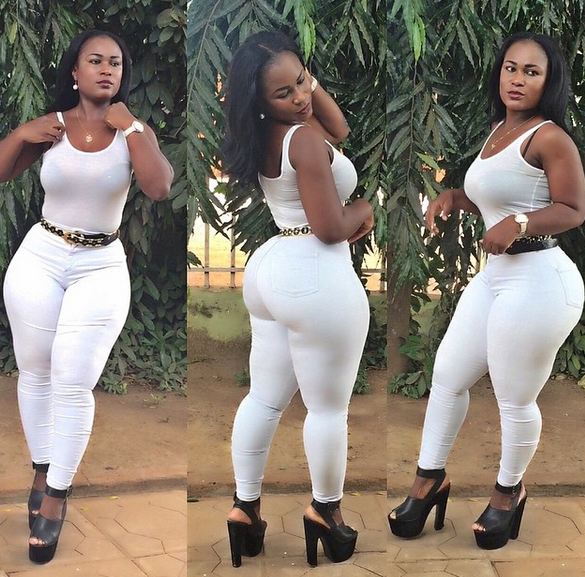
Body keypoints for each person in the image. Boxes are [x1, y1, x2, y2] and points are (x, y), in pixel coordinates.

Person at [388, 32, 585, 550]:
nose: (517, 79)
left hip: (541, 280)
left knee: (513, 396)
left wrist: (519, 224)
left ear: (549, 82)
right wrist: (455, 196)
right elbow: (498, 198)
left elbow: (572, 209)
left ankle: (507, 494)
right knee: (448, 376)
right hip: (496, 278)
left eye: (531, 72)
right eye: (510, 68)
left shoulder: (549, 138)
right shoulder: (500, 129)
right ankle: (429, 481)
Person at [0, 29, 173, 563]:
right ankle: (42, 468)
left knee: (73, 380)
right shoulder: (53, 127)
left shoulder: (131, 131)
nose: (105, 69)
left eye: (114, 63)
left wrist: (134, 127)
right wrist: (21, 133)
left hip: (100, 264)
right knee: (35, 371)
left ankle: (55, 497)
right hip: (42, 256)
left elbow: (159, 186)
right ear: (75, 73)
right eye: (94, 61)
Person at [220, 30, 374, 567]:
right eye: (284, 93)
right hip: (315, 272)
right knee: (327, 408)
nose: (301, 96)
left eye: (303, 80)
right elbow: (330, 227)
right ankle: (326, 513)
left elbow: (340, 129)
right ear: (261, 101)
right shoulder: (301, 141)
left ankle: (244, 509)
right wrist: (365, 211)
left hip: (273, 269)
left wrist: (302, 86)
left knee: (264, 399)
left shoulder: (269, 134)